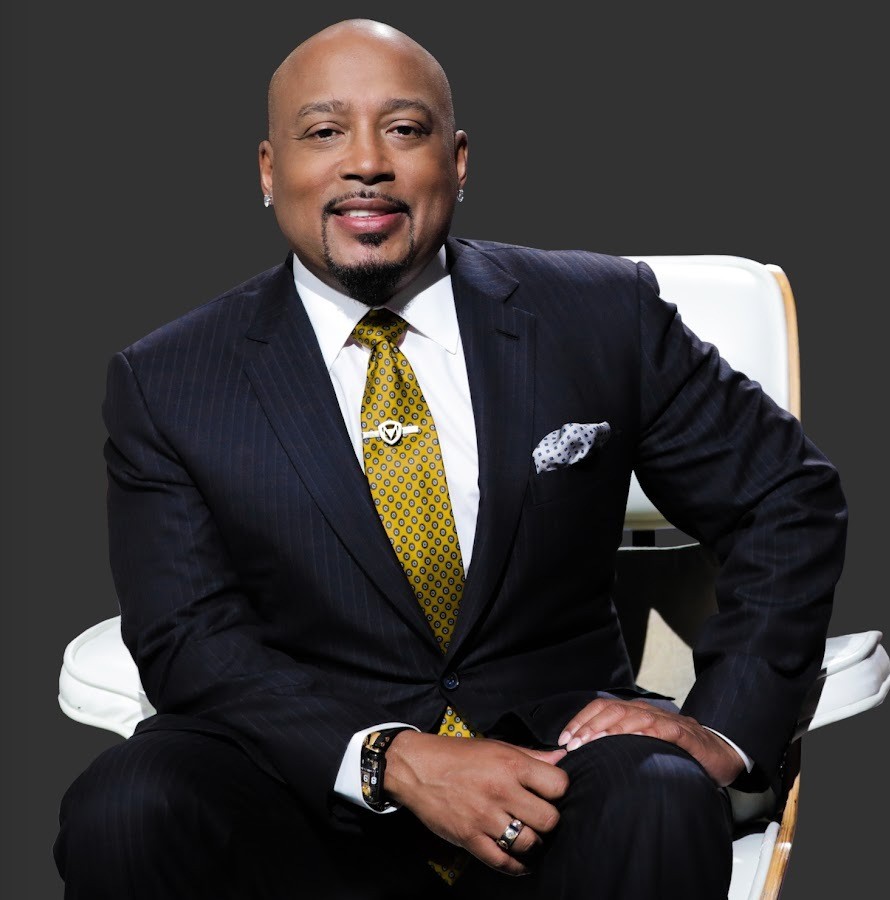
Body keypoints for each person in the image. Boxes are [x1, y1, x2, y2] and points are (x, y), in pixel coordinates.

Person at [53, 17, 847, 900]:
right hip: (307, 785)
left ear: (458, 161)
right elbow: (188, 638)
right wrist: (393, 759)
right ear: (271, 172)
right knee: (126, 806)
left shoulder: (599, 313)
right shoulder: (168, 379)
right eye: (324, 132)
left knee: (662, 794)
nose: (366, 163)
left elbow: (787, 497)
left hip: (558, 770)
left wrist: (725, 727)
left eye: (404, 129)